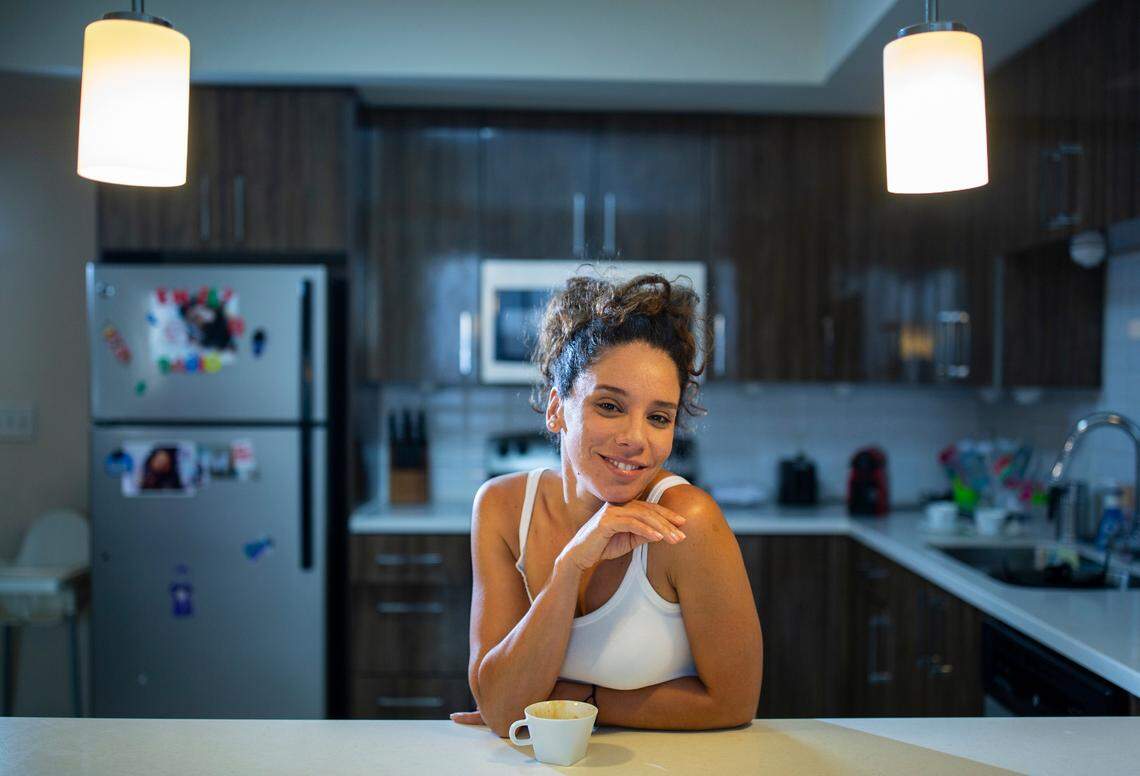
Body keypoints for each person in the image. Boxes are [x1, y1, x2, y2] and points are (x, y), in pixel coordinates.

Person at [452, 271, 762, 737]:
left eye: (659, 417)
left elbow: (733, 704)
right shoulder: (501, 508)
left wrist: (580, 700)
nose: (636, 439)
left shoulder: (685, 523)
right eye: (610, 406)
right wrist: (568, 568)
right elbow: (501, 711)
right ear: (557, 407)